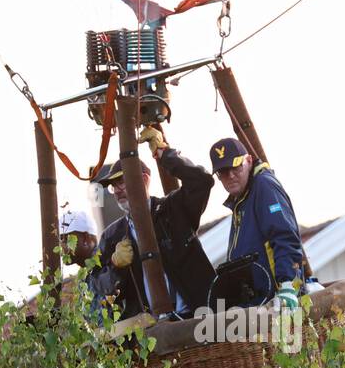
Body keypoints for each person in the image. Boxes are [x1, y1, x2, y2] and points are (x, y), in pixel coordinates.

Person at [92, 127, 215, 320]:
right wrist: (115, 266)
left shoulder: (172, 210)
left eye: (121, 181)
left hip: (198, 318)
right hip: (151, 332)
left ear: (144, 179)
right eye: (113, 186)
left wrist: (165, 154)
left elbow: (201, 182)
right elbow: (98, 287)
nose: (116, 190)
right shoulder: (112, 236)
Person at [209, 137, 306, 309]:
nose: (230, 175)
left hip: (278, 301)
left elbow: (285, 235)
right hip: (259, 302)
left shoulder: (264, 185)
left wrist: (287, 285)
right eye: (223, 172)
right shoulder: (242, 199)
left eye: (236, 166)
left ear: (248, 161)